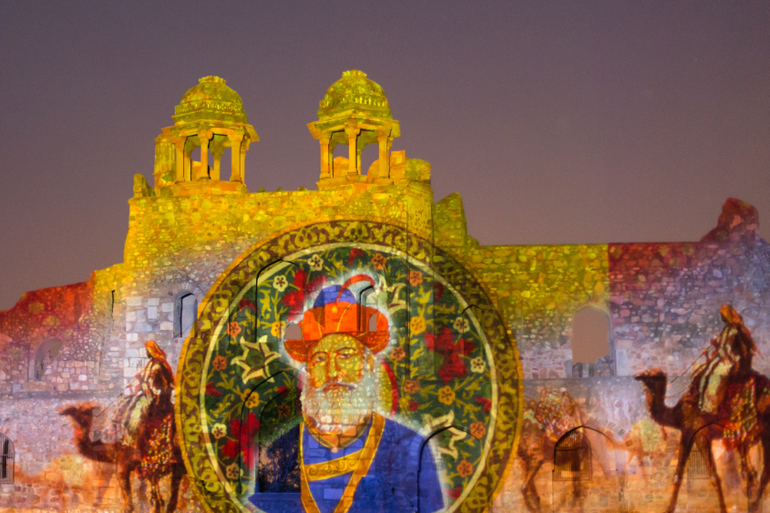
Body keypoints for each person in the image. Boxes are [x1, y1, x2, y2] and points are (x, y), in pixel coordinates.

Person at [250, 275, 444, 513]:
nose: (333, 372)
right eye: (319, 359)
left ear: (368, 364)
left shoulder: (411, 447)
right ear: (308, 371)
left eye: (345, 355)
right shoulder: (278, 454)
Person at [690, 304, 758, 414]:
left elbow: (742, 347)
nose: (721, 317)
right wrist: (715, 344)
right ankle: (699, 401)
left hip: (731, 359)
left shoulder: (737, 330)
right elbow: (722, 345)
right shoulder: (726, 329)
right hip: (720, 357)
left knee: (716, 376)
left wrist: (736, 359)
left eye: (723, 315)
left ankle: (710, 407)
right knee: (701, 370)